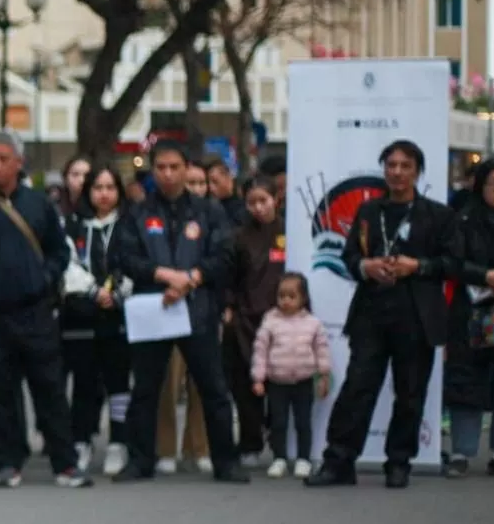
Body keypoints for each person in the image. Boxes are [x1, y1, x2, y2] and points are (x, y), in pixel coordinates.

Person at [308, 140, 459, 489]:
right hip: (372, 313)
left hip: (417, 316)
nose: (397, 172)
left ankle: (399, 462)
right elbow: (347, 258)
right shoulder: (368, 211)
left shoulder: (439, 216)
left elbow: (453, 264)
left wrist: (416, 266)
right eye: (391, 165)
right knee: (358, 387)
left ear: (418, 171)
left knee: (409, 392)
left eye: (406, 166)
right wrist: (366, 265)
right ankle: (339, 461)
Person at [0, 132, 88, 488]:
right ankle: (6, 462)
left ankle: (65, 463)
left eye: (3, 158)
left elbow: (59, 251)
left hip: (35, 311)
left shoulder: (38, 204)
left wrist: (46, 278)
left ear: (18, 162)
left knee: (50, 388)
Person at [111, 142, 247, 484]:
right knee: (145, 389)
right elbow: (125, 256)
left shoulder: (209, 211)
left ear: (187, 169)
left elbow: (226, 255)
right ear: (153, 172)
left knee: (213, 389)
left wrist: (192, 278)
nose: (168, 174)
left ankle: (224, 461)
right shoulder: (138, 212)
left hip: (197, 309)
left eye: (175, 167)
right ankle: (140, 460)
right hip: (153, 308)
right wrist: (162, 275)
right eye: (161, 168)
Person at [446, 158, 494, 475]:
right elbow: (452, 263)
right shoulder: (464, 219)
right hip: (476, 310)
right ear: (480, 187)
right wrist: (487, 276)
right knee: (468, 379)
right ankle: (462, 451)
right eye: (493, 183)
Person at [62, 166, 132, 477]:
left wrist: (117, 292)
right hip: (82, 315)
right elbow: (67, 264)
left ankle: (118, 441)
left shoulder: (129, 226)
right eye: (98, 187)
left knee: (118, 382)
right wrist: (92, 292)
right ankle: (81, 440)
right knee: (84, 382)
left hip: (119, 315)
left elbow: (136, 262)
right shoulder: (74, 225)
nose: (104, 194)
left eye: (110, 187)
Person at [226, 177, 285, 468]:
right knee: (244, 383)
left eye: (264, 200)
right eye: (252, 202)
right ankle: (250, 441)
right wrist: (228, 307)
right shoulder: (238, 237)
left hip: (284, 320)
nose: (259, 208)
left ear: (276, 198)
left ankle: (281, 442)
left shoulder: (291, 231)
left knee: (281, 383)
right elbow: (229, 278)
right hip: (245, 319)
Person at [251, 274, 332, 478]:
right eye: (281, 296)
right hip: (277, 383)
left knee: (303, 422)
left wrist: (323, 377)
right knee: (278, 423)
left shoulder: (313, 323)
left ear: (303, 298)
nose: (285, 301)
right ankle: (279, 458)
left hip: (304, 382)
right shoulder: (270, 321)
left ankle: (304, 459)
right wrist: (259, 378)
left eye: (291, 296)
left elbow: (321, 349)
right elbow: (260, 350)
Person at [205, 157, 246, 227]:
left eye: (215, 181)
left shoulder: (245, 205)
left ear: (228, 177)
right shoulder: (207, 208)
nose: (211, 188)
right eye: (207, 183)